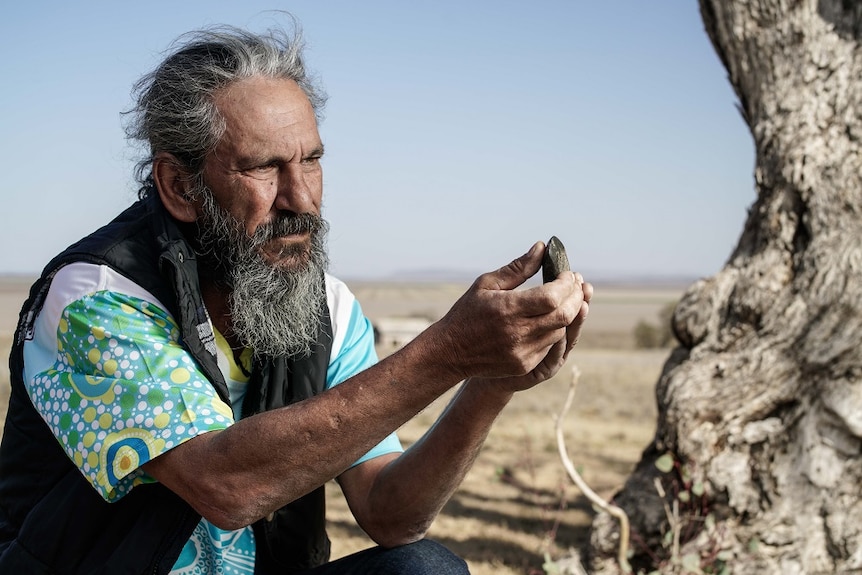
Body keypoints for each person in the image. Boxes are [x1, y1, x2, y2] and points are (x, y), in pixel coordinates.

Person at [0, 22, 592, 575]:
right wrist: (449, 351)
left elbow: (390, 514)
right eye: (263, 167)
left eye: (311, 160)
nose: (302, 198)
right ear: (181, 187)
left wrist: (489, 381)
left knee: (423, 568)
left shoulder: (324, 306)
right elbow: (224, 486)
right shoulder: (97, 296)